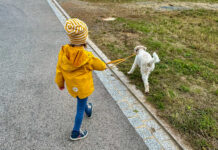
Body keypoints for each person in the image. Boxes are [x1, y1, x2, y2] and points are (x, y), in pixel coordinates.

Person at [55, 18, 106, 140]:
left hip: (72, 86)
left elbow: (59, 69)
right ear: (84, 38)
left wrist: (60, 83)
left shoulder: (63, 51)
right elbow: (101, 66)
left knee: (82, 102)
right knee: (80, 108)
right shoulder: (87, 56)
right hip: (83, 87)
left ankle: (88, 109)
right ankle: (75, 132)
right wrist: (105, 66)